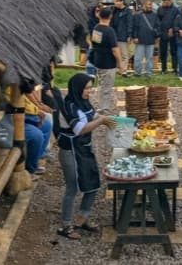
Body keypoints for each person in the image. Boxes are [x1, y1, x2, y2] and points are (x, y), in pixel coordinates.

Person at [55, 73, 117, 240]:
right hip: (70, 151)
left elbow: (94, 116)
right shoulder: (69, 106)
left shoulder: (84, 103)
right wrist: (102, 121)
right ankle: (66, 226)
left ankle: (81, 219)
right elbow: (80, 129)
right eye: (87, 88)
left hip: (84, 148)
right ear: (77, 88)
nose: (90, 91)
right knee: (72, 188)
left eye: (91, 87)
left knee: (93, 184)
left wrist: (116, 121)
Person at [90, 7, 121, 113]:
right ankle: (104, 108)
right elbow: (115, 49)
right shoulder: (110, 31)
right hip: (108, 62)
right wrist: (120, 62)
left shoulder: (96, 28)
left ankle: (101, 104)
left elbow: (95, 44)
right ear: (110, 16)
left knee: (101, 84)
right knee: (107, 86)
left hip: (98, 59)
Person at [132, 0, 160, 76]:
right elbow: (135, 27)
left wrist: (156, 34)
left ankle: (149, 72)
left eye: (150, 4)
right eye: (148, 4)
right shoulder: (137, 15)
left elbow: (158, 26)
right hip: (140, 39)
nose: (149, 6)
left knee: (149, 58)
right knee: (138, 58)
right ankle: (137, 72)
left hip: (150, 39)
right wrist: (135, 37)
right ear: (143, 5)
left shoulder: (155, 15)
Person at [110, 0, 134, 76]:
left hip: (123, 36)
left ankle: (123, 71)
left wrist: (129, 35)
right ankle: (117, 70)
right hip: (114, 35)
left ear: (122, 1)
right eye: (114, 1)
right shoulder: (114, 10)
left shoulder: (127, 11)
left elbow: (130, 23)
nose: (115, 3)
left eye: (116, 1)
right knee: (116, 54)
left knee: (124, 54)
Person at [157, 0, 180, 75]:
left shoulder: (175, 9)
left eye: (168, 0)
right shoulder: (160, 9)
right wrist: (159, 34)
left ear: (171, 0)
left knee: (174, 51)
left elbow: (177, 20)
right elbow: (158, 22)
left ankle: (175, 69)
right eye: (165, 0)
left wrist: (172, 29)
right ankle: (164, 69)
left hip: (173, 33)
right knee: (163, 52)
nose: (167, 1)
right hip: (163, 33)